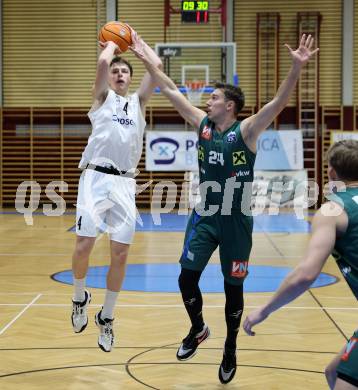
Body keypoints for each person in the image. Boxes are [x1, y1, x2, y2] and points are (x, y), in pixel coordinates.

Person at [131, 34, 319, 383]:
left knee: (234, 288)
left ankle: (230, 347)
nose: (208, 101)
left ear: (230, 105)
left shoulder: (246, 131)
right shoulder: (202, 125)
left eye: (214, 97)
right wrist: (146, 59)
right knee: (186, 277)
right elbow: (171, 89)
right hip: (205, 215)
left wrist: (296, 67)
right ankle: (198, 328)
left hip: (236, 221)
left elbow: (278, 103)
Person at [71, 26, 162, 353]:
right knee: (84, 246)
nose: (120, 74)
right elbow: (100, 64)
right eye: (116, 71)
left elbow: (158, 68)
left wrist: (138, 45)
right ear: (109, 78)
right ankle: (79, 295)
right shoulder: (101, 98)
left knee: (120, 254)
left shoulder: (138, 103)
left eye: (125, 71)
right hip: (95, 179)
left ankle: (107, 318)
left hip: (125, 182)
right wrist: (110, 44)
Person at [243, 140, 358, 389]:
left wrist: (265, 310)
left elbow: (306, 274)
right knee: (333, 372)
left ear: (331, 173)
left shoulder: (333, 211)